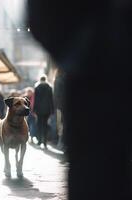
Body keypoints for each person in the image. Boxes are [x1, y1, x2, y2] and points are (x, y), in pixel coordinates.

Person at [27, 1, 132, 199]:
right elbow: (40, 16)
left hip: (85, 76)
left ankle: (43, 140)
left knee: (91, 169)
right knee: (92, 169)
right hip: (88, 78)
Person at [33, 75, 54, 148]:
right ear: (46, 79)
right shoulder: (49, 87)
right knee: (45, 125)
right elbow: (51, 100)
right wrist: (52, 110)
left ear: (40, 79)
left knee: (39, 125)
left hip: (39, 109)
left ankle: (39, 142)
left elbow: (36, 100)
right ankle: (45, 143)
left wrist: (34, 110)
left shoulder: (37, 87)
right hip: (47, 109)